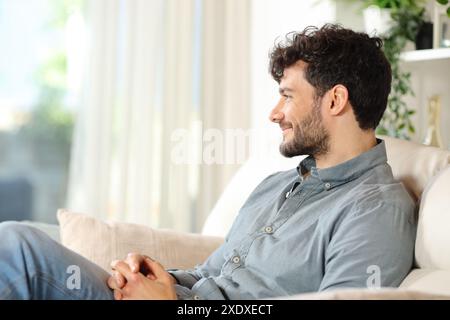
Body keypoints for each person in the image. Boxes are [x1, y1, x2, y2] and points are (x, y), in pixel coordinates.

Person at [0, 24, 416, 300]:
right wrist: (154, 276)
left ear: (335, 100)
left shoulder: (375, 209)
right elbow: (210, 274)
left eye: (287, 95)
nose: (274, 113)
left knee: (20, 250)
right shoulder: (276, 185)